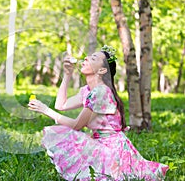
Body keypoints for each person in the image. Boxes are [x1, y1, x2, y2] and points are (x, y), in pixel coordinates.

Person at [28, 45, 169, 180]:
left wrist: (45, 110)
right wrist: (67, 75)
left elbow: (76, 125)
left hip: (112, 150)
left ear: (102, 70)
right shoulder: (88, 90)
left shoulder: (101, 92)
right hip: (99, 142)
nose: (86, 58)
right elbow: (61, 105)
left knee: (64, 134)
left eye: (93, 58)